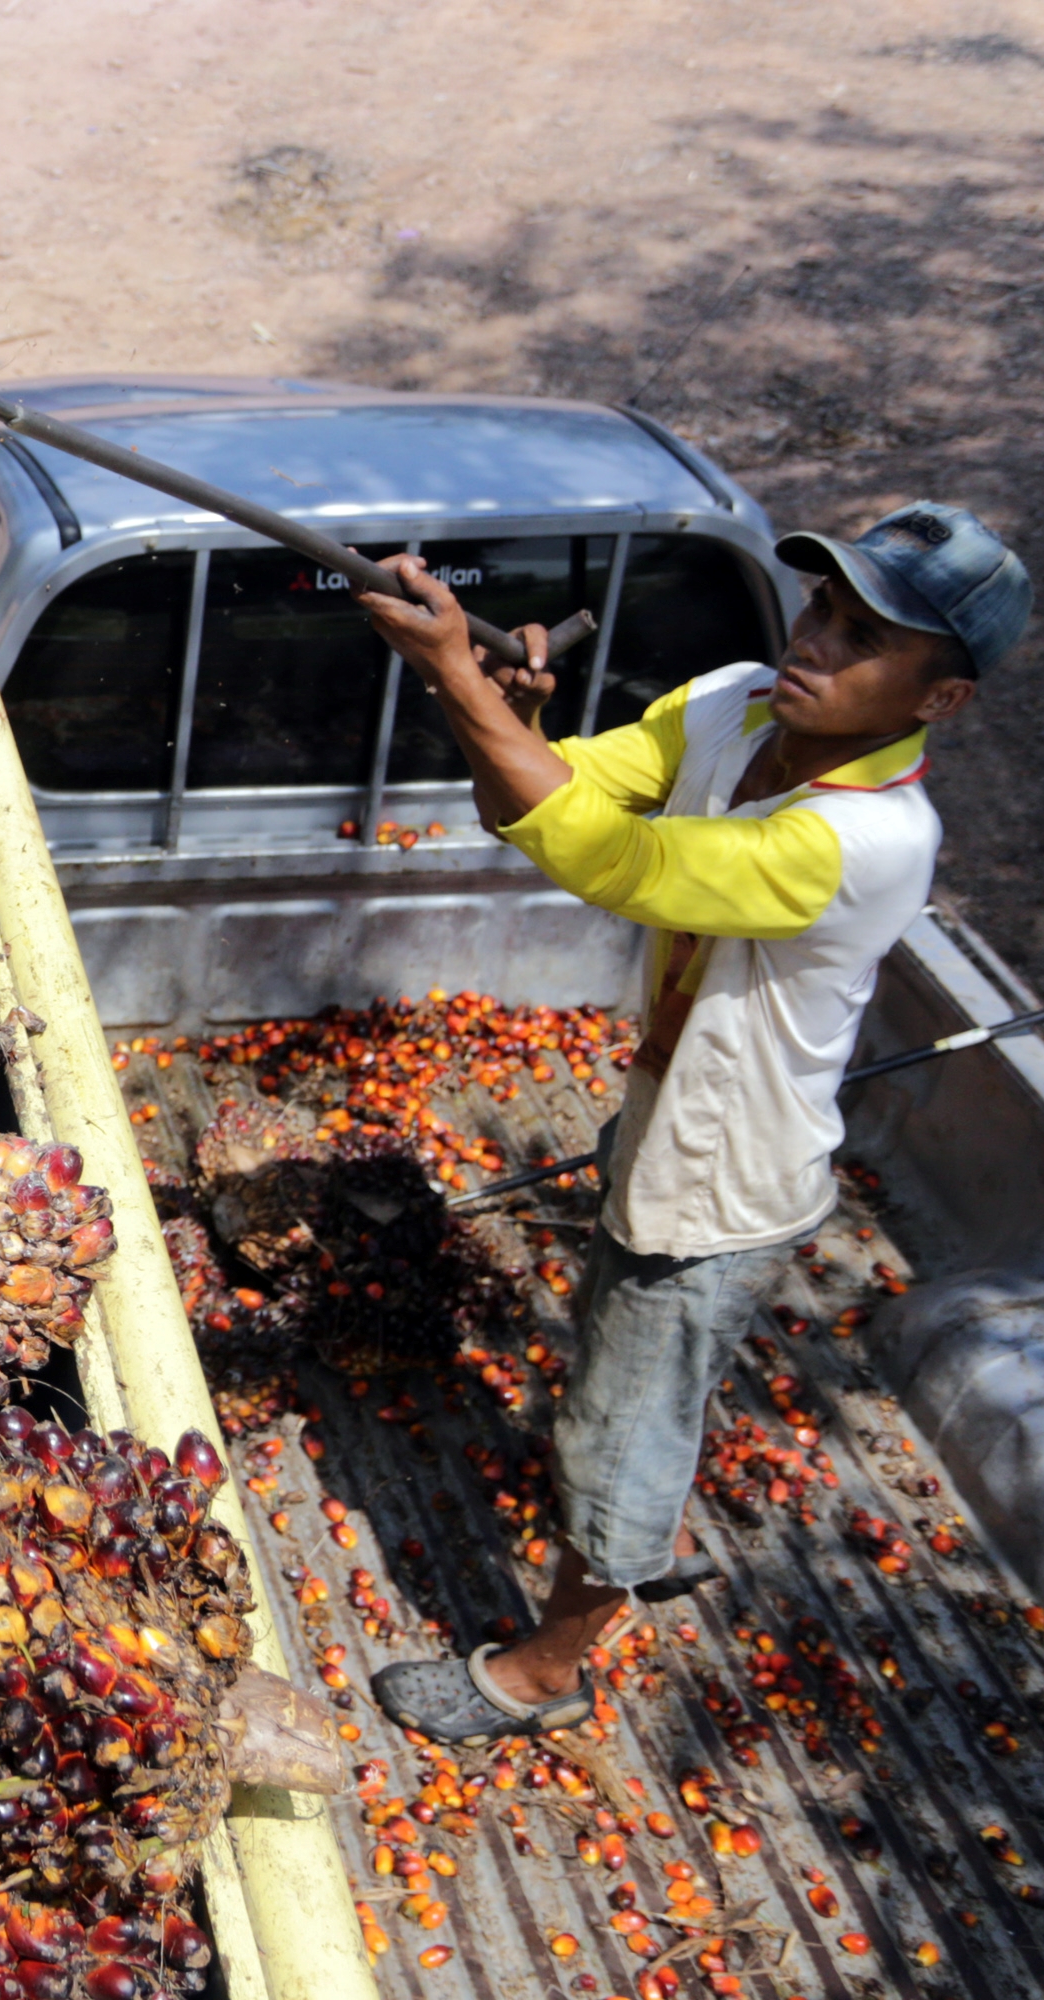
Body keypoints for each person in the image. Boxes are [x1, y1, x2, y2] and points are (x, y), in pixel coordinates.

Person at [361, 502, 1030, 1745]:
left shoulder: (869, 840)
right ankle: (635, 1529)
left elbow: (613, 860)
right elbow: (552, 798)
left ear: (940, 699)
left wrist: (457, 679)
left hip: (725, 1173)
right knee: (638, 1374)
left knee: (620, 1419)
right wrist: (502, 710)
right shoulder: (734, 701)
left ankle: (548, 1671)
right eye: (823, 604)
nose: (815, 640)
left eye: (866, 637)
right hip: (665, 1113)